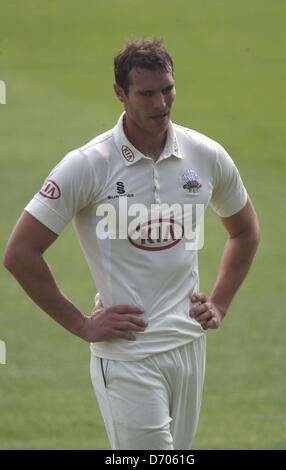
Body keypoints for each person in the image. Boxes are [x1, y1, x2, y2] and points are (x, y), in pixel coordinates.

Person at [3, 38, 260, 450]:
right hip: (127, 356)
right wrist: (81, 324)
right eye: (147, 94)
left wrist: (221, 302)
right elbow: (19, 253)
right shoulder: (89, 164)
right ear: (120, 94)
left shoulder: (204, 154)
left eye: (168, 89)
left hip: (189, 345)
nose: (161, 103)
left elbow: (245, 230)